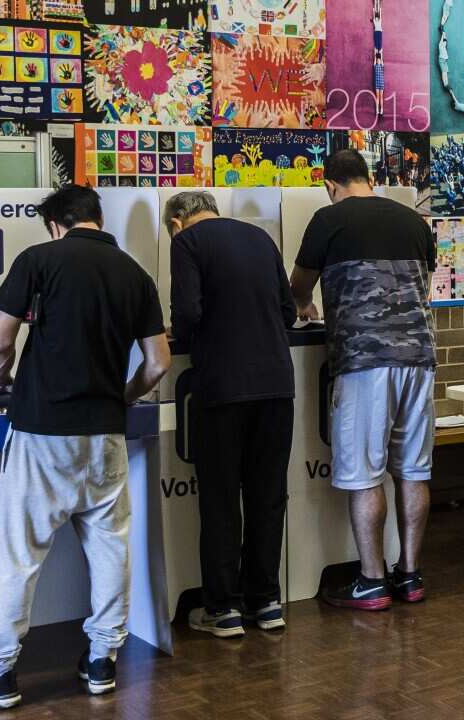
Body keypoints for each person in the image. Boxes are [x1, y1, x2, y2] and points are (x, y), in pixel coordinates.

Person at [0, 185, 170, 709]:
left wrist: (0, 381)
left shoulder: (39, 260)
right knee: (111, 549)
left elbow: (0, 341)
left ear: (55, 224)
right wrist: (121, 397)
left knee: (19, 556)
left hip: (42, 433)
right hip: (104, 433)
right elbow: (158, 363)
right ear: (97, 219)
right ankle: (102, 662)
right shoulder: (136, 274)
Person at [291, 149, 437, 610]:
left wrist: (304, 305)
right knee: (413, 470)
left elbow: (298, 285)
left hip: (363, 360)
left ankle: (372, 581)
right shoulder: (413, 221)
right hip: (419, 356)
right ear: (370, 177)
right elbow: (424, 284)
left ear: (329, 184)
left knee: (364, 473)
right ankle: (409, 576)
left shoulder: (328, 219)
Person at [165, 192, 297, 639]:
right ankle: (266, 602)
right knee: (267, 495)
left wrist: (178, 335)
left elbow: (186, 311)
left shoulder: (187, 243)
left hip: (222, 386)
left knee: (221, 498)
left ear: (177, 222)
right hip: (277, 383)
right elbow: (288, 309)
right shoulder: (260, 238)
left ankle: (223, 609)